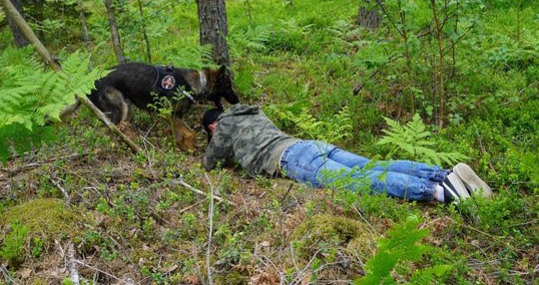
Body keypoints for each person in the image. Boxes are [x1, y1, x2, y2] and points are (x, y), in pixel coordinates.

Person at [201, 104, 493, 204]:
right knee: (372, 166)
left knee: (358, 181)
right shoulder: (252, 112)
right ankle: (443, 174)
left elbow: (210, 162)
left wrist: (213, 136)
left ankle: (442, 192)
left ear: (213, 125)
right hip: (310, 145)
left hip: (293, 160)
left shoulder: (223, 124)